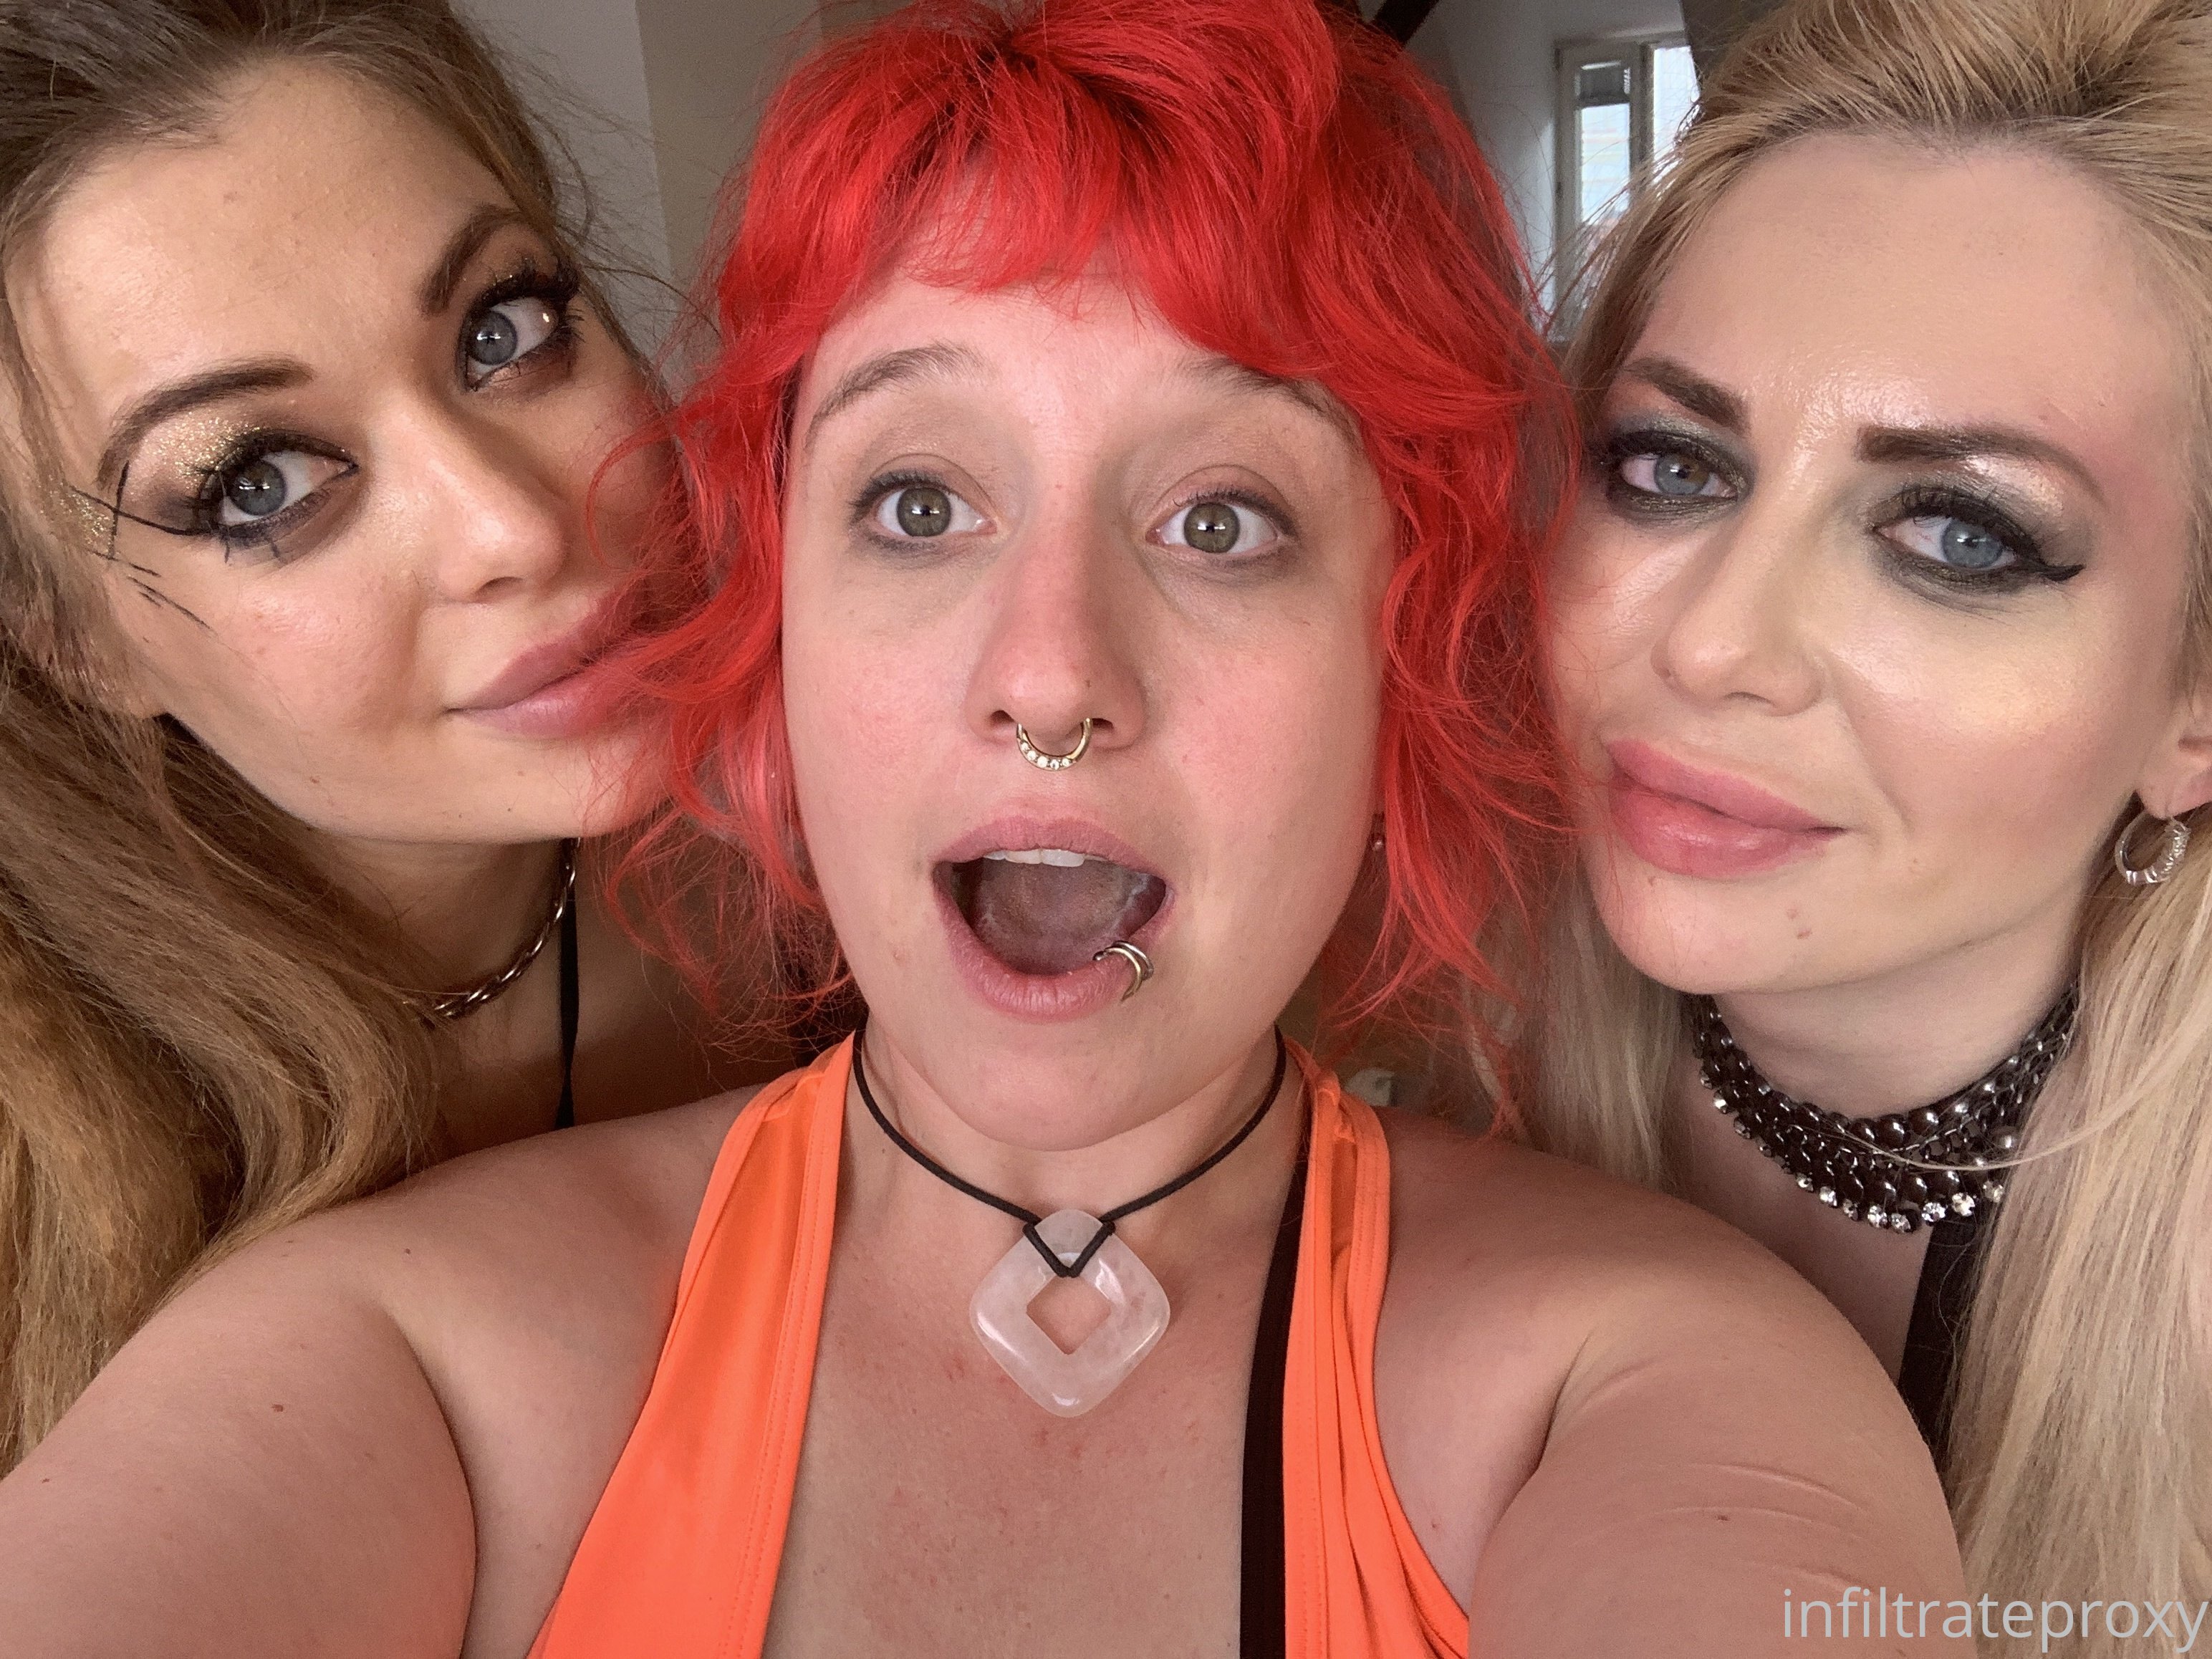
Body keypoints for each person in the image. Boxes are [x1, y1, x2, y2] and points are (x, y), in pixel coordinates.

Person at [0, 2, 1967, 1653]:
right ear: (782, 617)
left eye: (1222, 518)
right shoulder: (395, 1353)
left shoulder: (1639, 1376)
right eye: (919, 502)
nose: (1048, 675)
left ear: (1406, 646)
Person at [0, 0, 780, 1471]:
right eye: (260, 483)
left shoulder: (842, 828)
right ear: (76, 643)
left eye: (504, 330)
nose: (515, 526)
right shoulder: (42, 1153)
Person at [1519, 0, 2212, 1636]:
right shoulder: (1429, 1035)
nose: (1713, 645)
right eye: (1669, 466)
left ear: (2190, 710)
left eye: (1961, 535)